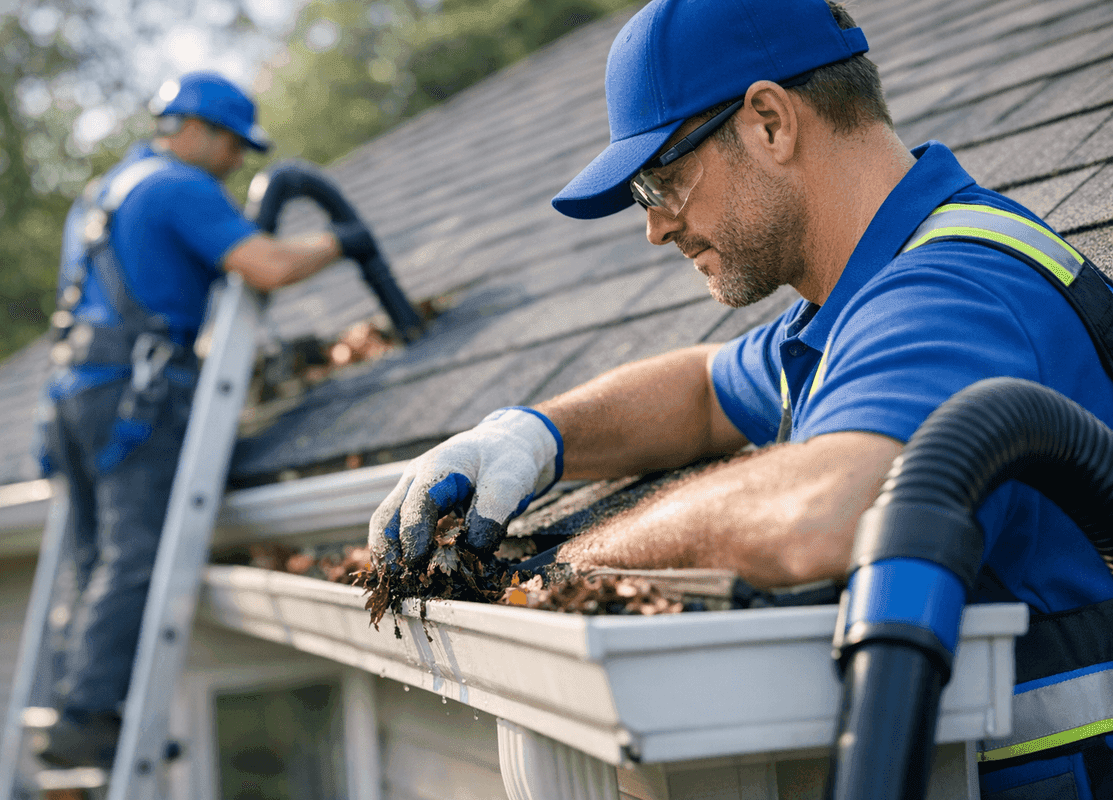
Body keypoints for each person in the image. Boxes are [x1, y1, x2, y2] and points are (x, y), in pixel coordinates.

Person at [368, 0, 1113, 796]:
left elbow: (829, 508)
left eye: (660, 180)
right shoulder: (850, 311)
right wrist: (531, 435)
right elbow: (701, 387)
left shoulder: (948, 292)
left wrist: (578, 565)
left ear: (769, 122)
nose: (654, 228)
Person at [36, 71, 369, 770]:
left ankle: (77, 707)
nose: (237, 162)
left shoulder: (104, 191)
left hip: (77, 392)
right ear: (197, 129)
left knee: (96, 559)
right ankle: (90, 714)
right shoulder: (179, 188)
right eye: (231, 145)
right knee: (135, 555)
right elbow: (268, 265)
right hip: (138, 393)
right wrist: (343, 241)